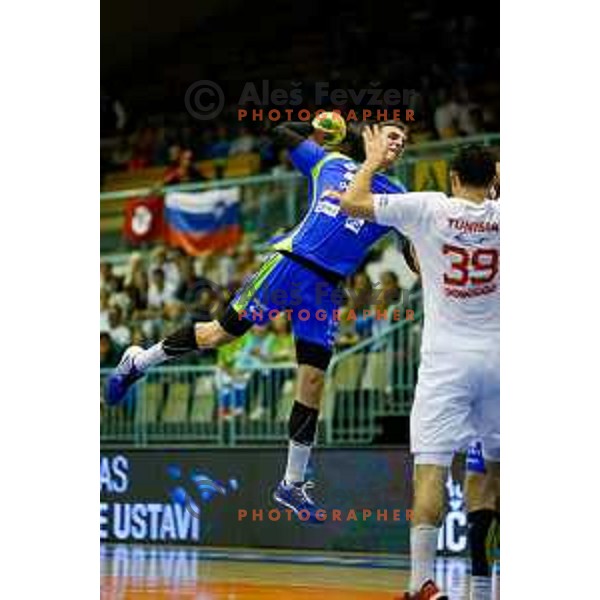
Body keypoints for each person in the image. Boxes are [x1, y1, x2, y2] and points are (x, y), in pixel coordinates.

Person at [106, 114, 410, 523]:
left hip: (325, 288)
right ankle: (137, 362)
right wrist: (320, 128)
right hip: (291, 263)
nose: (398, 144)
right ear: (372, 137)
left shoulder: (399, 195)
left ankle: (291, 483)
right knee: (219, 334)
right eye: (392, 135)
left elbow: (412, 247)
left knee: (314, 380)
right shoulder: (330, 164)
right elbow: (280, 134)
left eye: (403, 141)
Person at [332, 127, 499, 600]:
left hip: (446, 364)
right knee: (490, 480)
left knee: (431, 473)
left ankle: (421, 583)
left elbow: (352, 203)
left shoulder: (430, 207)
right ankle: (483, 590)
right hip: (501, 362)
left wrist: (372, 160)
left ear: (450, 178)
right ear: (493, 181)